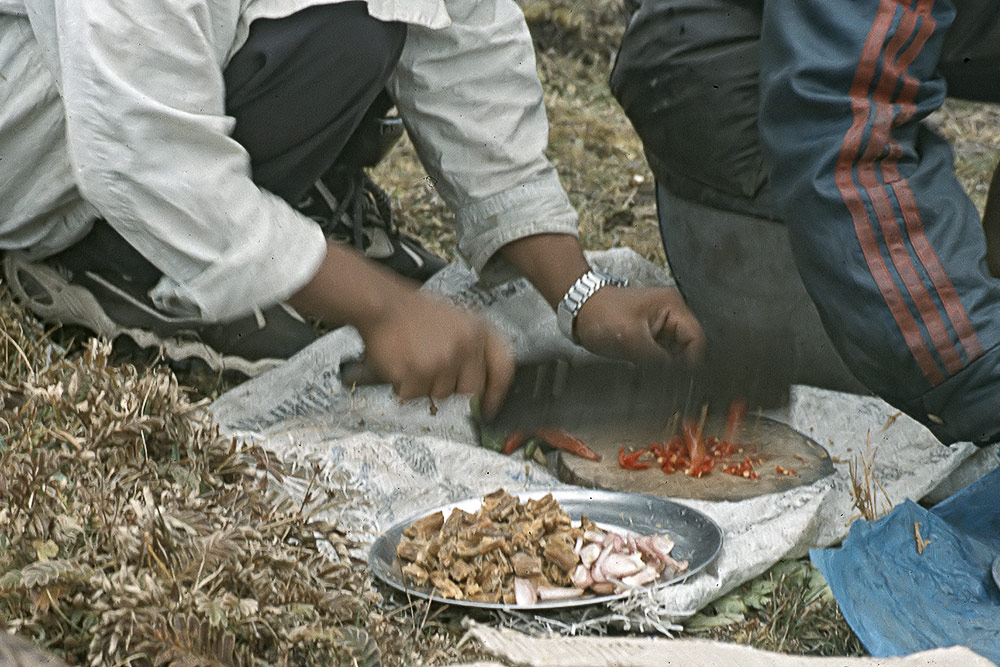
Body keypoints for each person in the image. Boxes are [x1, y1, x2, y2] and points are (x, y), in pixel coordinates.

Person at [0, 0, 705, 418]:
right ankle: (113, 259)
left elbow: (459, 31)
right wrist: (382, 307)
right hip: (45, 139)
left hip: (136, 103)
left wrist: (581, 293)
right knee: (334, 29)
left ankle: (281, 218)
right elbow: (141, 144)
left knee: (360, 23)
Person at [610, 0, 1000, 445]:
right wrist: (980, 376)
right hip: (736, 67)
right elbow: (840, 128)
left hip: (869, 45)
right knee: (844, 424)